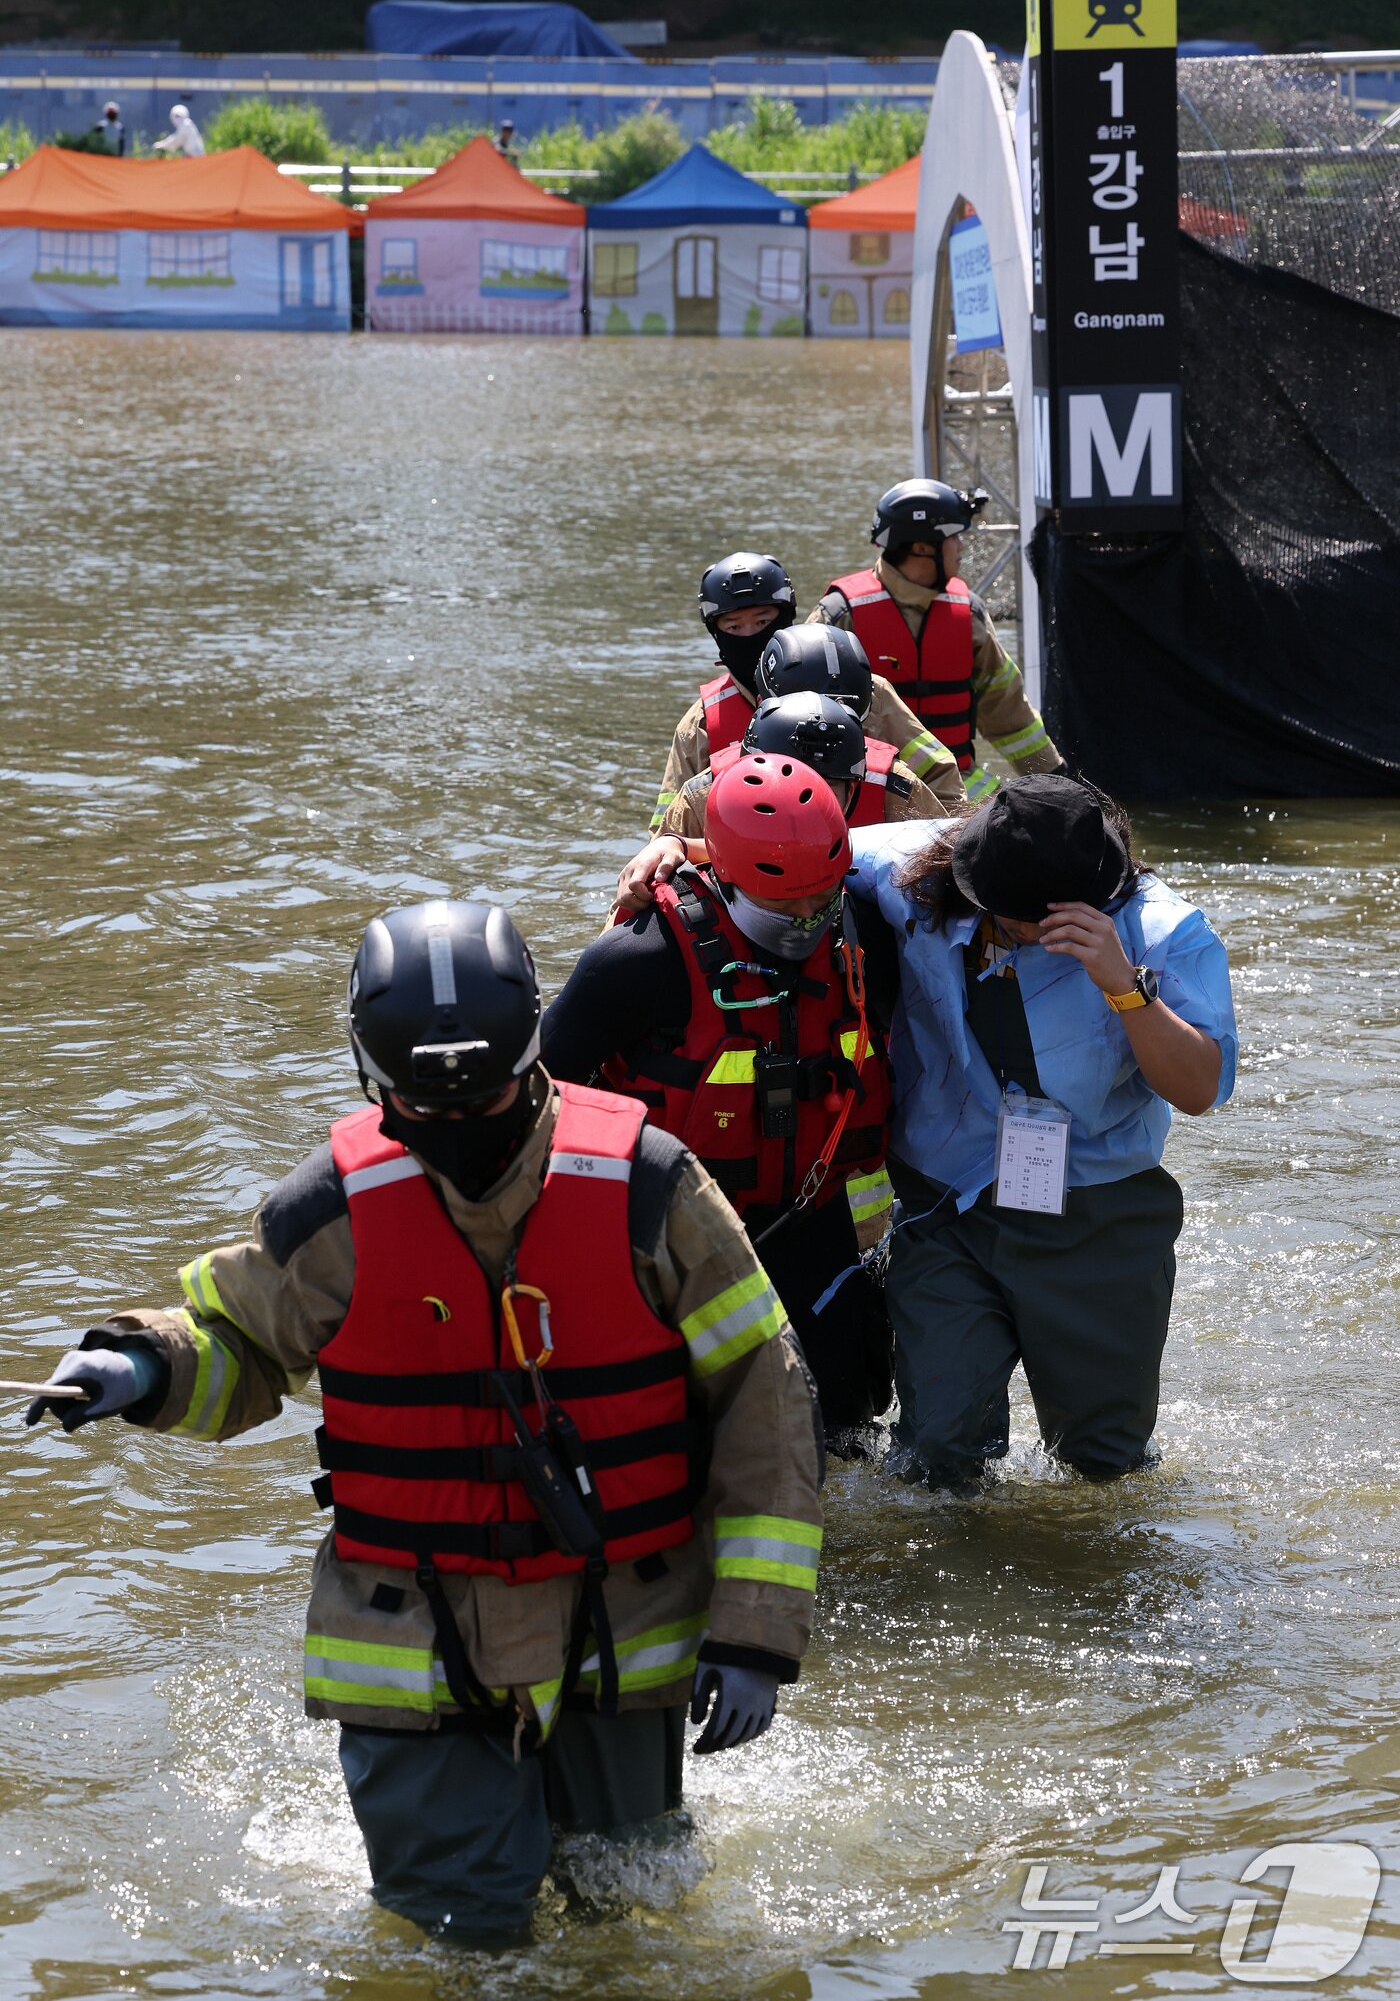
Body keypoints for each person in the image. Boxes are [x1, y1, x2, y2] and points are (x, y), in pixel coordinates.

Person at [27, 900, 822, 1940]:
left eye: (482, 1095)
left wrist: (755, 1637)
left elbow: (765, 1398)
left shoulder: (651, 1190)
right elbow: (240, 1341)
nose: (456, 1126)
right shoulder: (333, 1209)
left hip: (620, 1638)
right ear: (374, 1080)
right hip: (411, 1643)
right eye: (422, 1104)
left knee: (626, 1916)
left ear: (534, 1056)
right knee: (460, 1930)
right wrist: (140, 1362)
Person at [844, 777, 1237, 1491]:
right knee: (936, 1447)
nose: (1021, 931)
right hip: (948, 1203)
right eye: (1008, 915)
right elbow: (801, 850)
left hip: (1096, 1213)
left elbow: (1201, 1089)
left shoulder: (1166, 930)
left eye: (1039, 919)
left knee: (1104, 1464)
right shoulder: (918, 870)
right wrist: (676, 849)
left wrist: (1123, 985)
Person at [543, 758, 897, 1454]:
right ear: (723, 873)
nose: (804, 922)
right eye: (782, 906)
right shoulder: (637, 961)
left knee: (844, 1433)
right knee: (679, 1439)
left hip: (814, 1228)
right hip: (675, 1238)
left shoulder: (870, 934)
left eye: (819, 903)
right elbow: (539, 1097)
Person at [815, 478, 1064, 804]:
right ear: (922, 548)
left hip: (962, 793)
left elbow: (1010, 713)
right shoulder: (839, 616)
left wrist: (1057, 782)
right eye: (954, 536)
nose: (962, 546)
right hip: (873, 789)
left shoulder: (968, 613)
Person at [652, 579, 963, 832]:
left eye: (761, 620)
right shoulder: (707, 785)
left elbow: (942, 850)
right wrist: (677, 848)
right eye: (734, 625)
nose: (819, 720)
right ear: (764, 703)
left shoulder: (892, 783)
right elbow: (661, 854)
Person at [655, 690, 949, 848]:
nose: (805, 802)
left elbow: (946, 865)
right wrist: (673, 847)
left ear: (852, 791)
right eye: (791, 784)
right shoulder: (702, 798)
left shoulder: (897, 791)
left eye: (827, 786)